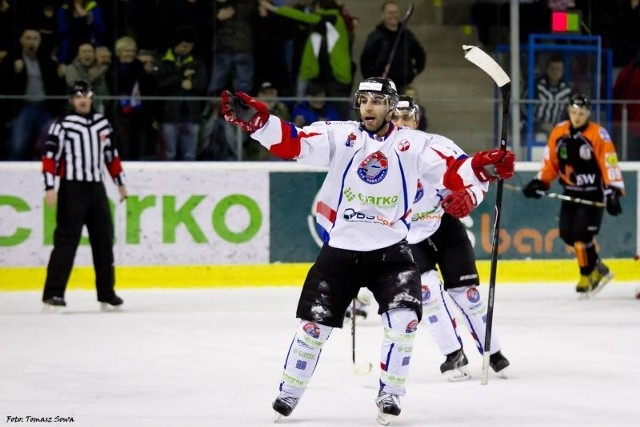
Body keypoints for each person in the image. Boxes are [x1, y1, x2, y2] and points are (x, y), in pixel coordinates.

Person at [221, 77, 515, 423]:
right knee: (313, 329)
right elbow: (293, 143)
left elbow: (453, 171)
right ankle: (289, 391)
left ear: (392, 106)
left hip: (391, 253)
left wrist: (482, 166)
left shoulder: (415, 144)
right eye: (364, 100)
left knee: (404, 322)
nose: (369, 107)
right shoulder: (341, 136)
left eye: (377, 101)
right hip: (341, 252)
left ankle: (390, 393)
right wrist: (260, 123)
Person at [392, 95, 512, 380]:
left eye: (406, 118)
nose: (400, 123)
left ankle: (492, 352)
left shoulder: (438, 147)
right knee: (429, 293)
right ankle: (453, 355)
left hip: (443, 224)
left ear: (416, 121)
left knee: (468, 296)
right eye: (395, 117)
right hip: (405, 235)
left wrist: (468, 197)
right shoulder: (377, 153)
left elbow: (475, 175)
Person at [522, 93, 625, 295]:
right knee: (566, 234)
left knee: (581, 234)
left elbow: (609, 161)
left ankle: (587, 275)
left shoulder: (598, 134)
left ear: (588, 114)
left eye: (581, 113)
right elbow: (550, 160)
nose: (577, 117)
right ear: (569, 112)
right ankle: (599, 268)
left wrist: (613, 191)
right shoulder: (559, 132)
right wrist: (540, 181)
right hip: (571, 191)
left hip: (593, 193)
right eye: (574, 112)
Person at [41, 80, 127, 312]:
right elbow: (50, 156)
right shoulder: (63, 125)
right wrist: (49, 186)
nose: (82, 99)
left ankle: (106, 293)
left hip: (96, 188)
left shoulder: (102, 124)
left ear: (91, 98)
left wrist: (120, 183)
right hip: (72, 188)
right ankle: (53, 294)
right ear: (71, 100)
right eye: (77, 95)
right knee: (66, 242)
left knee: (104, 241)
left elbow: (111, 155)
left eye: (86, 95)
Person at [156, 25, 206, 161]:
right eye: (184, 46)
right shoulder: (162, 60)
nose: (187, 50)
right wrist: (180, 79)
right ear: (176, 44)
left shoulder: (197, 61)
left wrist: (192, 84)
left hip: (192, 114)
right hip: (169, 114)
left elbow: (202, 84)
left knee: (190, 155)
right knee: (169, 154)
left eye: (190, 47)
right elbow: (159, 84)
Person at [360, 1, 426, 92]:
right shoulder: (375, 37)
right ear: (383, 15)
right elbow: (365, 62)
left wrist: (413, 72)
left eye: (396, 12)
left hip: (404, 86)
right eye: (390, 13)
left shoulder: (406, 35)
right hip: (383, 88)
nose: (393, 15)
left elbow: (420, 54)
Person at [529, 54, 573, 136]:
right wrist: (539, 124)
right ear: (547, 69)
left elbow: (571, 113)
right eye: (552, 69)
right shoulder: (537, 86)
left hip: (558, 129)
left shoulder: (567, 90)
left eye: (558, 69)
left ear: (562, 71)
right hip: (537, 129)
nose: (555, 72)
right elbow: (525, 107)